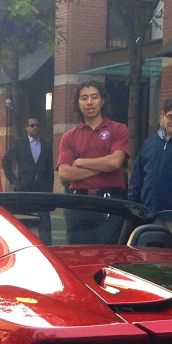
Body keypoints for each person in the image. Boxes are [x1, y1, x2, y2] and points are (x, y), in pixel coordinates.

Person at [56, 82, 130, 244]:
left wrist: (81, 162)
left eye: (94, 97)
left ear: (102, 101)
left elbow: (115, 162)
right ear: (78, 103)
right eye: (84, 98)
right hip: (78, 204)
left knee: (107, 256)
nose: (89, 102)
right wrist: (104, 166)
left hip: (109, 202)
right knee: (78, 257)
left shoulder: (118, 129)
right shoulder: (69, 136)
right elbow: (65, 173)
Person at [2, 115, 54, 243]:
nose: (35, 128)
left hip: (42, 188)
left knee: (44, 219)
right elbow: (6, 160)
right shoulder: (20, 144)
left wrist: (50, 188)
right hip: (24, 186)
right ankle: (22, 243)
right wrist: (13, 179)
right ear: (26, 128)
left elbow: (50, 168)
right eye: (32, 125)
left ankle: (47, 245)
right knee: (24, 219)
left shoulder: (46, 145)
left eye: (37, 125)